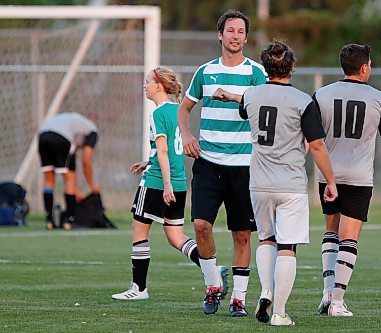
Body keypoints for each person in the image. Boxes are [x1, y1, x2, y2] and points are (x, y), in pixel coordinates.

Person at [237, 41, 338, 326]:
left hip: (258, 182)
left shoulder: (251, 95)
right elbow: (316, 145)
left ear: (264, 66)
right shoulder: (302, 100)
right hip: (290, 183)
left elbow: (245, 109)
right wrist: (330, 181)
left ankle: (266, 289)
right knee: (287, 246)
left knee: (266, 239)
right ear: (292, 67)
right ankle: (279, 312)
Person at [178, 10, 267, 316]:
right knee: (201, 225)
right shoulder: (204, 72)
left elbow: (264, 109)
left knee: (242, 234)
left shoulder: (257, 73)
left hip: (245, 165)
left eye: (240, 31)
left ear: (246, 36)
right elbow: (184, 108)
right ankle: (213, 285)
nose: (235, 36)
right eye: (230, 31)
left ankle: (239, 299)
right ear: (220, 35)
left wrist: (233, 97)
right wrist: (187, 134)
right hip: (209, 162)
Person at [314, 44, 381, 317]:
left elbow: (311, 138)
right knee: (349, 237)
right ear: (364, 67)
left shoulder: (321, 95)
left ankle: (328, 294)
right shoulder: (379, 98)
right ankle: (337, 302)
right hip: (358, 177)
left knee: (331, 232)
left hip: (326, 175)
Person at [112, 67, 202, 301]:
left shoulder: (158, 113)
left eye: (148, 81)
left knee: (139, 231)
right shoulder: (179, 111)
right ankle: (211, 270)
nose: (145, 85)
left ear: (159, 85)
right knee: (175, 236)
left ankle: (139, 288)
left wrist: (165, 184)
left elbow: (163, 150)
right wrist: (148, 161)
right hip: (179, 182)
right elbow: (170, 150)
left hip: (157, 183)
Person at [38, 112, 99, 230]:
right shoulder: (93, 131)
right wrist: (92, 185)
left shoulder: (73, 123)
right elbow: (86, 160)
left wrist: (77, 191)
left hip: (42, 136)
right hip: (61, 138)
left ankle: (49, 220)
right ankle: (69, 220)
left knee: (49, 180)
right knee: (69, 180)